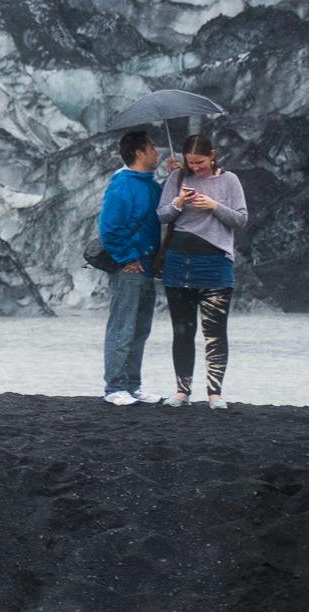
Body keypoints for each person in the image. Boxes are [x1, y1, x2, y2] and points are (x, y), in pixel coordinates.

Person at [158, 134, 248, 409]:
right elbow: (161, 215)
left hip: (215, 265)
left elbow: (241, 219)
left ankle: (214, 394)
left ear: (213, 155)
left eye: (200, 162)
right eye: (190, 162)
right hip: (178, 265)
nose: (195, 167)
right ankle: (182, 391)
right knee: (182, 331)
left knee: (215, 332)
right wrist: (179, 203)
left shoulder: (229, 180)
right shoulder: (176, 178)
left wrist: (214, 206)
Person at [98, 129, 170, 405]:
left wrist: (173, 178)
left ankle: (132, 384)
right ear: (139, 152)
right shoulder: (123, 185)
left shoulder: (149, 184)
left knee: (140, 328)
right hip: (129, 268)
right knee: (122, 327)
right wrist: (127, 258)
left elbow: (164, 208)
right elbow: (109, 229)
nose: (157, 152)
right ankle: (114, 387)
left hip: (147, 266)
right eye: (152, 147)